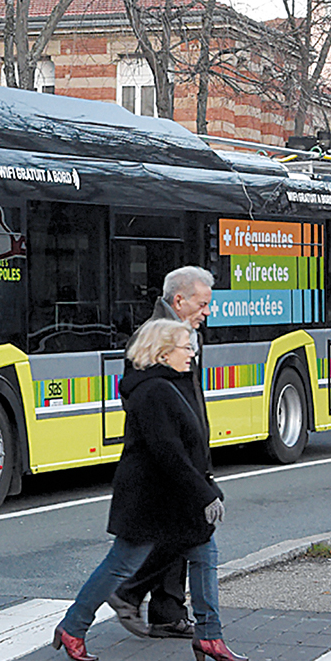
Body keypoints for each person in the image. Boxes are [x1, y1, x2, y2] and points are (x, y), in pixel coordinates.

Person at [52, 318, 246, 661]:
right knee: (121, 564)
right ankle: (73, 626)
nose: (192, 354)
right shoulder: (153, 390)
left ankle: (210, 635)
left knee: (204, 555)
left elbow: (191, 443)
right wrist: (204, 493)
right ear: (163, 351)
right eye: (186, 348)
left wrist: (204, 484)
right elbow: (167, 451)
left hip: (172, 496)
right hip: (151, 498)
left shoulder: (174, 382)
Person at [113, 266, 214, 640]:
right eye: (202, 304)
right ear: (179, 300)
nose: (207, 311)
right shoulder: (157, 336)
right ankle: (129, 594)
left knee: (183, 531)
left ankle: (166, 611)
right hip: (165, 459)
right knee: (186, 532)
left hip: (182, 454)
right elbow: (146, 398)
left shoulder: (185, 334)